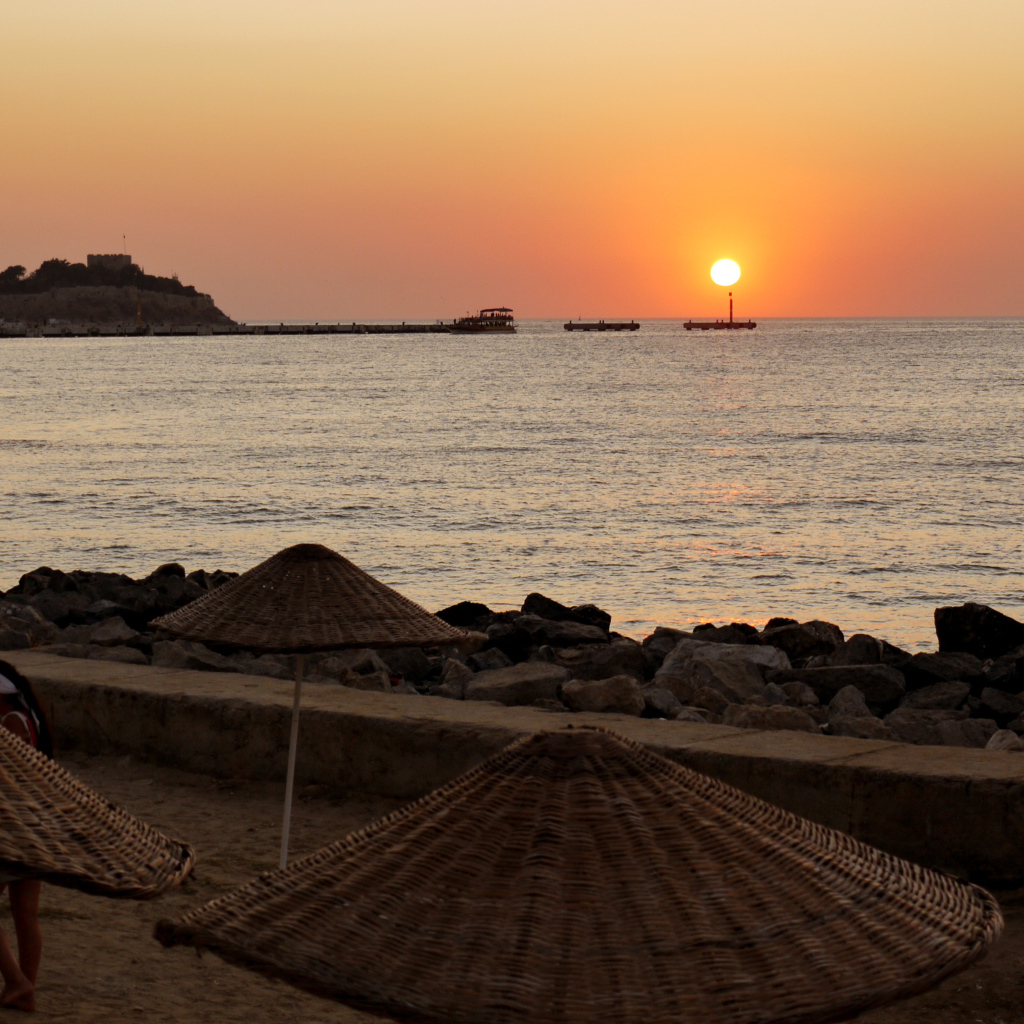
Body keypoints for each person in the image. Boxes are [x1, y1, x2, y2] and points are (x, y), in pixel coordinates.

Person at [0, 660, 53, 1013]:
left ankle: (18, 982)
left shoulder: (11, 721)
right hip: (34, 823)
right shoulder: (28, 717)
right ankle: (24, 990)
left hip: (14, 826)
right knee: (25, 913)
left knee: (26, 913)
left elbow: (11, 778)